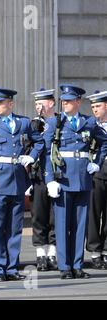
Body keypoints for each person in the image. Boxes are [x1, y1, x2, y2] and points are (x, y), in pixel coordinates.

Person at [0, 88, 44, 282]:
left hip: (17, 181)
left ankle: (12, 267)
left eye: (0, 103)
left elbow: (39, 142)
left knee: (15, 228)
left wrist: (30, 157)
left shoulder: (23, 123)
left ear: (10, 104)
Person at [44, 85, 107, 279]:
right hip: (62, 179)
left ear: (78, 102)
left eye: (69, 101)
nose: (65, 103)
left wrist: (96, 162)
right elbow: (46, 151)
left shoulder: (88, 122)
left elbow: (104, 141)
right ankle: (64, 266)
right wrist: (49, 179)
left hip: (83, 178)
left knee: (80, 225)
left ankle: (77, 265)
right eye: (63, 100)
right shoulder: (56, 122)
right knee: (62, 225)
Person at [27, 88, 58, 271]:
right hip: (38, 176)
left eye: (42, 103)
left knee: (55, 216)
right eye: (36, 104)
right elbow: (25, 151)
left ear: (51, 103)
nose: (38, 107)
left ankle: (52, 253)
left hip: (57, 174)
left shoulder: (60, 122)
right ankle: (40, 254)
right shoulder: (32, 124)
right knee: (38, 215)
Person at [85, 90, 107, 269]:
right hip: (96, 172)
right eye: (92, 107)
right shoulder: (89, 124)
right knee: (94, 212)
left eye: (98, 106)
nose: (95, 110)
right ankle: (94, 251)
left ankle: (106, 249)